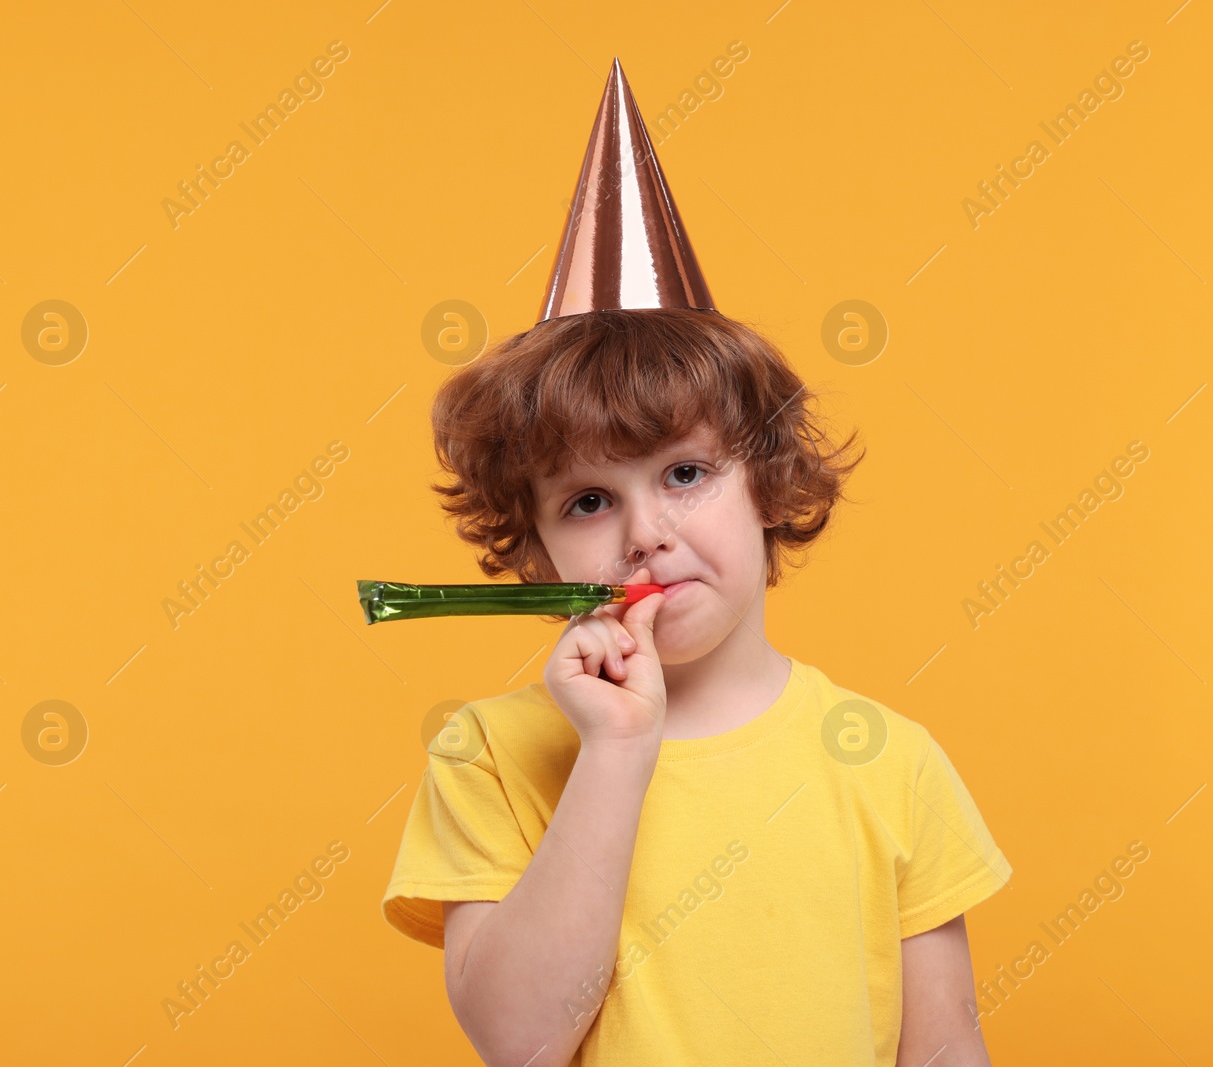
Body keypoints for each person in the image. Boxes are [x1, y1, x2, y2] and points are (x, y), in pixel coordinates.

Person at [380, 57, 1012, 1067]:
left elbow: (941, 1050)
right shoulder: (486, 755)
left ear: (767, 480)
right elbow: (520, 1040)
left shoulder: (888, 760)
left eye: (682, 472)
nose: (644, 532)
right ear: (536, 547)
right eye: (589, 499)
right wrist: (616, 751)